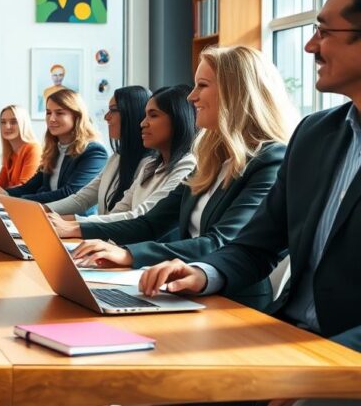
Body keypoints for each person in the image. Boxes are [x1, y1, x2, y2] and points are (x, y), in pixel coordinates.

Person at [140, 0, 361, 354]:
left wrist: (321, 372)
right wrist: (203, 272)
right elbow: (257, 245)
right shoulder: (315, 134)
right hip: (288, 337)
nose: (310, 46)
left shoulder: (272, 153)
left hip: (338, 363)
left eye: (324, 32)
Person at [72, 46, 295, 310]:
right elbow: (149, 223)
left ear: (235, 92)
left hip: (233, 303)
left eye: (202, 85)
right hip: (180, 293)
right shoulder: (209, 160)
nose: (191, 97)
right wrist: (78, 230)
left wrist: (130, 254)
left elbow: (220, 242)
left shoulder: (271, 160)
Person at [51, 84, 198, 228]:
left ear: (179, 119)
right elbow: (117, 212)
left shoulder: (186, 165)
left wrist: (73, 224)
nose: (143, 123)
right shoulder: (146, 166)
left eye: (153, 115)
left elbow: (140, 216)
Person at [40, 86, 151, 218]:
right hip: (101, 234)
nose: (106, 117)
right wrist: (39, 209)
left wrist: (75, 224)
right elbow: (82, 198)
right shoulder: (116, 158)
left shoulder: (149, 164)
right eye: (48, 113)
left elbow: (125, 217)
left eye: (113, 110)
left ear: (132, 113)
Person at [0, 88, 107, 204]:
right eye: (48, 113)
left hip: (70, 219)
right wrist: (6, 193)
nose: (51, 119)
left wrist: (13, 200)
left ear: (76, 116)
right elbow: (32, 186)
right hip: (47, 214)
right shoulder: (54, 149)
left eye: (59, 113)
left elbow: (70, 193)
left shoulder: (94, 151)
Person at [0, 105, 41, 189]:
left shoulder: (33, 149)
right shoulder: (9, 154)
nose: (7, 126)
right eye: (3, 122)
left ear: (23, 124)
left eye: (13, 122)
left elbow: (24, 188)